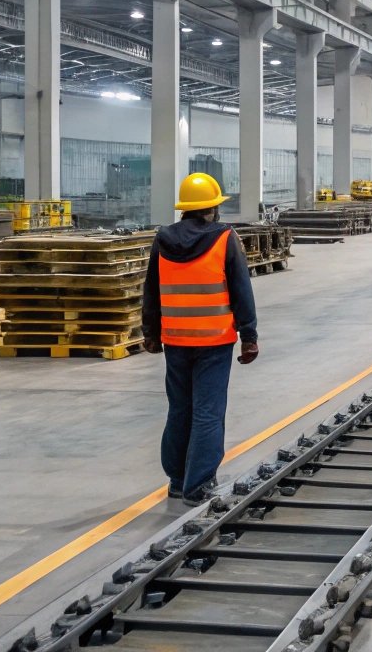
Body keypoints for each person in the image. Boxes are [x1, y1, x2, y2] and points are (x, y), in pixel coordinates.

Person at [141, 172, 260, 505]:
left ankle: (178, 481)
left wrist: (150, 332)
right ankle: (199, 485)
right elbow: (241, 290)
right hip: (214, 340)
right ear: (212, 208)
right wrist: (249, 336)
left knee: (180, 409)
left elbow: (151, 289)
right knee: (208, 412)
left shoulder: (162, 239)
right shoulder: (225, 238)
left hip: (176, 340)